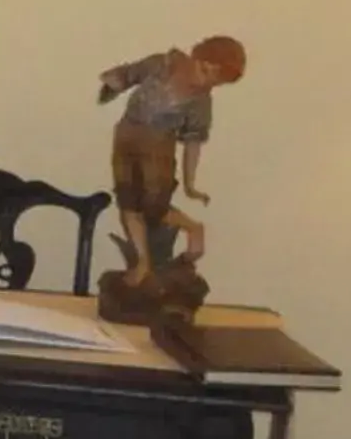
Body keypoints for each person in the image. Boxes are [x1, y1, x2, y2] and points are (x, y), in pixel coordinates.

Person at [98, 36, 246, 294]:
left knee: (155, 206)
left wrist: (190, 184)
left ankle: (193, 227)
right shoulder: (161, 64)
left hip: (159, 146)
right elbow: (130, 74)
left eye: (215, 80)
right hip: (127, 135)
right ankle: (142, 263)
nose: (205, 81)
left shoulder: (201, 102)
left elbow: (193, 143)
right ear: (195, 58)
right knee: (128, 202)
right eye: (204, 70)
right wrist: (114, 81)